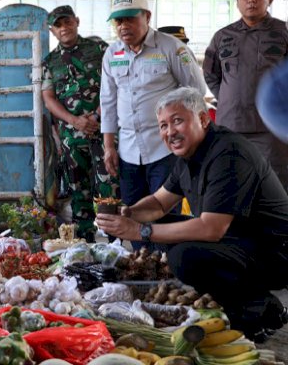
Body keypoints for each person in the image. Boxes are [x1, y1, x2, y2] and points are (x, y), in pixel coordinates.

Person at [96, 87, 288, 343]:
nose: (170, 132)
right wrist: (130, 212)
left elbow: (211, 229)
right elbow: (158, 204)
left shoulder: (228, 153)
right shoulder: (188, 154)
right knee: (157, 222)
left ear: (203, 119)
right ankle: (253, 304)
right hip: (238, 238)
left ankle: (257, 309)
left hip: (274, 252)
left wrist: (139, 231)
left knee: (184, 257)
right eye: (163, 125)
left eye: (177, 121)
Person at [100, 0, 207, 248]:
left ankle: (167, 266)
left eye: (130, 18)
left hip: (165, 148)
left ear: (147, 16)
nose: (124, 26)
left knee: (163, 212)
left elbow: (197, 92)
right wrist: (109, 146)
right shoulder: (111, 54)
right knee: (132, 213)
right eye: (118, 21)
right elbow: (108, 102)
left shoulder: (172, 48)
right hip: (127, 150)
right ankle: (141, 265)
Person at [203, 0, 288, 190]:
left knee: (275, 185)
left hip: (271, 130)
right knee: (231, 182)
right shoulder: (223, 36)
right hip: (231, 125)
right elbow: (211, 73)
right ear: (238, 1)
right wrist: (230, 98)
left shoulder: (283, 32)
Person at [41, 5, 119, 241]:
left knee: (109, 184)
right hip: (72, 135)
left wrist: (95, 116)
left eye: (67, 22)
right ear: (52, 30)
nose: (64, 28)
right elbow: (48, 98)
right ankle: (84, 239)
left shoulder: (99, 48)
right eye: (58, 25)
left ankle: (113, 238)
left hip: (103, 130)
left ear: (77, 21)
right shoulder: (50, 61)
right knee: (78, 188)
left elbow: (114, 84)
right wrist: (75, 121)